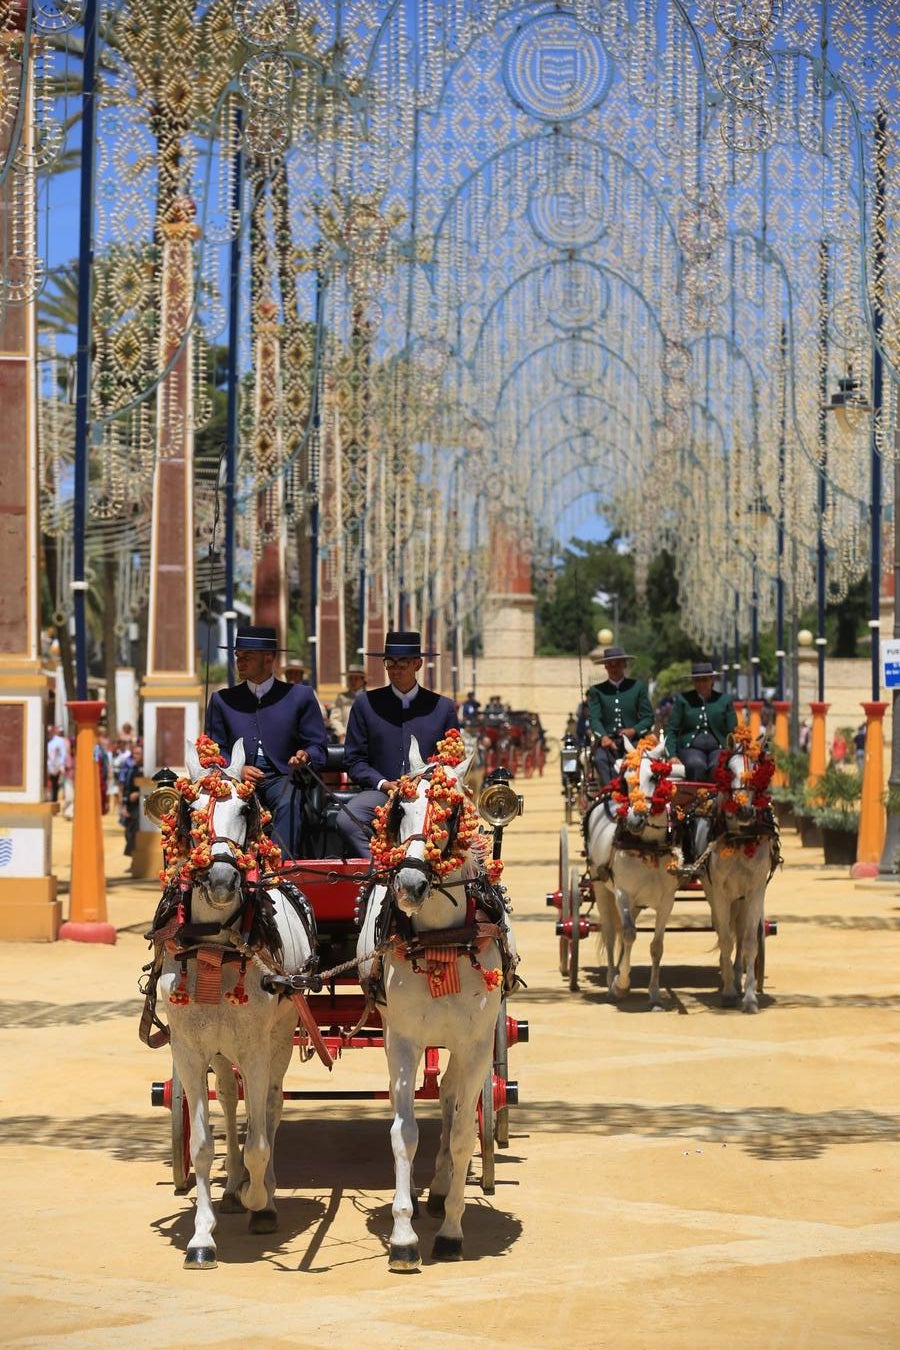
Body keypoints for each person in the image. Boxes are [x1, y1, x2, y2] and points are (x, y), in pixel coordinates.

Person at [205, 625, 329, 859]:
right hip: (234, 780)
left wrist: (305, 755)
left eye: (247, 657)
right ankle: (222, 864)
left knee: (287, 802)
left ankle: (278, 871)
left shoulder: (299, 696)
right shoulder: (222, 700)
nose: (240, 662)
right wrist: (236, 768)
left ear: (269, 657)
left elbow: (317, 745)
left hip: (283, 776)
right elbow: (213, 748)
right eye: (238, 656)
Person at [338, 630, 460, 857]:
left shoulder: (442, 707)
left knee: (460, 823)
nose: (395, 669)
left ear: (418, 664)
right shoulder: (366, 704)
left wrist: (427, 785)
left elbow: (453, 760)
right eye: (389, 662)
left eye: (402, 663)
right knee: (348, 818)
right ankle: (382, 869)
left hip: (429, 796)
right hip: (382, 794)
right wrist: (384, 784)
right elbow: (354, 760)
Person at [586, 646, 654, 784]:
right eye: (610, 664)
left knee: (645, 760)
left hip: (634, 741)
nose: (614, 667)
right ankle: (610, 796)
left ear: (624, 664)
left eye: (617, 663)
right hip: (608, 742)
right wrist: (603, 737)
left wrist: (634, 730)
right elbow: (594, 719)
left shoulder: (637, 687)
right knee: (600, 759)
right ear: (605, 666)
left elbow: (648, 717)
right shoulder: (597, 691)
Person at [666, 660, 738, 781]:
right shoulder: (683, 700)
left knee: (718, 765)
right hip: (690, 749)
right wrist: (672, 755)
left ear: (712, 680)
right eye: (697, 680)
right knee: (696, 764)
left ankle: (715, 798)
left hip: (718, 748)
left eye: (705, 680)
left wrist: (736, 750)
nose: (701, 684)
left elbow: (734, 730)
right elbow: (672, 729)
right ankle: (697, 798)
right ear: (693, 682)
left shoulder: (724, 700)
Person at [329, 664, 367, 743]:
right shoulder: (341, 697)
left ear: (363, 681)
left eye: (356, 679)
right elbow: (334, 718)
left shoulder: (369, 697)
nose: (353, 681)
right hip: (346, 738)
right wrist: (341, 733)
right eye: (350, 678)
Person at [121, 742, 144, 856]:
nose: (135, 756)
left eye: (138, 753)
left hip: (140, 806)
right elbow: (126, 788)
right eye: (134, 753)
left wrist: (139, 793)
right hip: (130, 806)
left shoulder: (146, 770)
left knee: (134, 831)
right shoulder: (131, 769)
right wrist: (124, 806)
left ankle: (134, 856)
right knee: (128, 832)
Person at [46, 725, 68, 803]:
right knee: (48, 786)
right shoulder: (45, 741)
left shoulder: (59, 741)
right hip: (47, 766)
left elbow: (63, 753)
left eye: (50, 731)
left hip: (56, 766)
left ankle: (55, 801)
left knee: (56, 785)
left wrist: (62, 765)